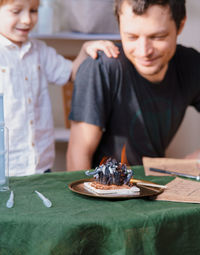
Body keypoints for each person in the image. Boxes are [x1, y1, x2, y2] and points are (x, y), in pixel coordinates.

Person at [67, 0, 200, 171]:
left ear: (180, 25)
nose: (144, 51)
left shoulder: (191, 64)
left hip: (154, 186)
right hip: (103, 190)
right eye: (132, 37)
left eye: (157, 37)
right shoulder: (103, 67)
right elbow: (78, 154)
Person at [0, 0, 119, 176]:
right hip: (7, 168)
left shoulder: (40, 51)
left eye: (33, 10)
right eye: (16, 11)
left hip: (41, 166)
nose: (27, 20)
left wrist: (85, 51)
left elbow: (71, 73)